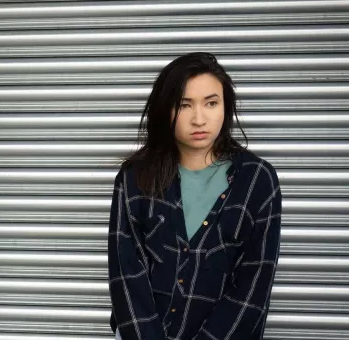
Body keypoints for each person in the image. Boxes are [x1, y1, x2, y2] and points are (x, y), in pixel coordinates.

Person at [108, 52, 282, 340]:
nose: (199, 119)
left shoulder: (257, 181)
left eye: (211, 103)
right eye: (184, 105)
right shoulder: (134, 178)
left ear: (226, 106)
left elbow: (253, 288)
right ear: (166, 109)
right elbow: (125, 274)